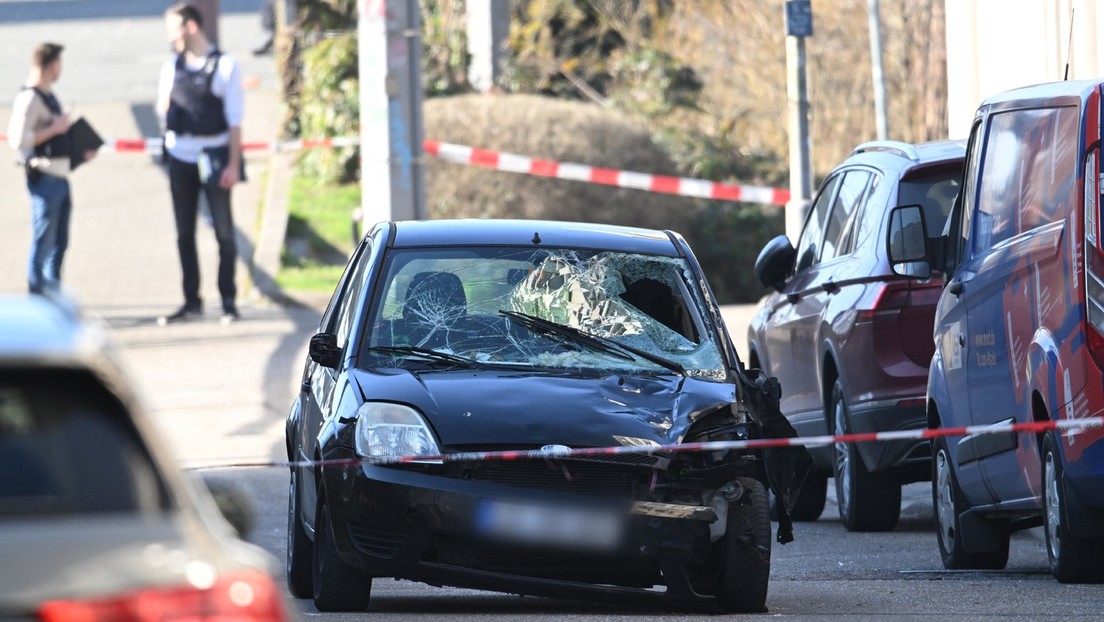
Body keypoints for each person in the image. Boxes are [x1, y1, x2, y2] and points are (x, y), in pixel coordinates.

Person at [157, 2, 244, 325]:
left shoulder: (225, 66)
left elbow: (235, 120)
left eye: (173, 29)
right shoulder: (171, 68)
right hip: (180, 158)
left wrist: (233, 165)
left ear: (191, 27)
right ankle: (191, 301)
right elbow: (162, 110)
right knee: (184, 234)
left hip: (215, 157)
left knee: (224, 233)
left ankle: (228, 301)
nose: (169, 37)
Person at [7, 43, 96, 295]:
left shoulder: (49, 95)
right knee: (43, 244)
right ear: (50, 65)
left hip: (61, 177)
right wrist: (54, 129)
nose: (61, 70)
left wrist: (79, 150)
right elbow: (17, 139)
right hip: (44, 180)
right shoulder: (29, 98)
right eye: (59, 64)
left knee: (60, 244)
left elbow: (53, 140)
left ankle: (53, 299)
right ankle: (38, 300)